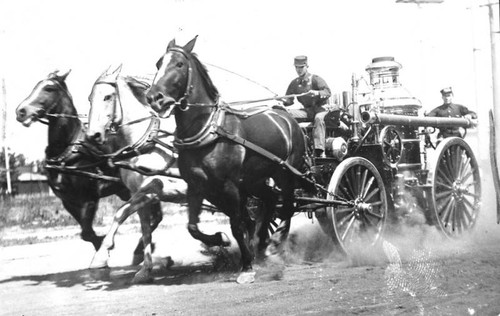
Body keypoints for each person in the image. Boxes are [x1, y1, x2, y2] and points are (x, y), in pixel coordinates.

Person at [282, 55, 331, 157]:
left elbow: (327, 92)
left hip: (321, 109)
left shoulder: (315, 79)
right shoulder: (294, 83)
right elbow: (289, 100)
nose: (298, 70)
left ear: (306, 66)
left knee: (318, 119)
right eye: (296, 67)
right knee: (286, 114)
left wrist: (317, 93)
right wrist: (282, 100)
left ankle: (319, 150)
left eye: (301, 67)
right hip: (307, 111)